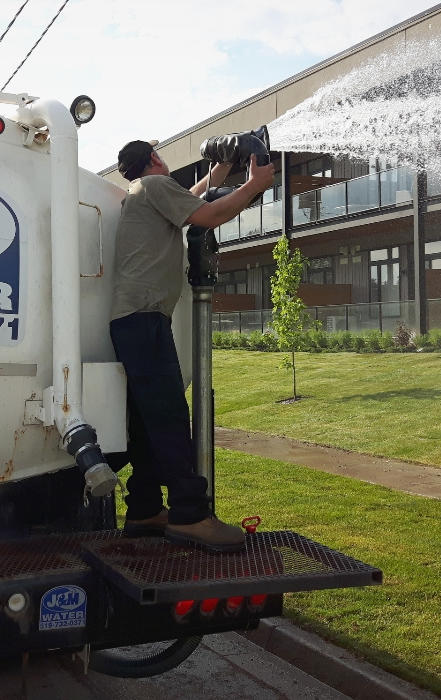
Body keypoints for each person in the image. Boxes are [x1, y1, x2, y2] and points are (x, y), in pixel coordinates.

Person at [109, 138, 276, 552]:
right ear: (153, 159)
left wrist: (222, 168)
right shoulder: (154, 186)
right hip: (145, 320)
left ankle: (145, 508)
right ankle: (190, 514)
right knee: (168, 416)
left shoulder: (142, 192)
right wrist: (255, 184)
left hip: (134, 321)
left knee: (149, 421)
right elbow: (208, 214)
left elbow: (195, 196)